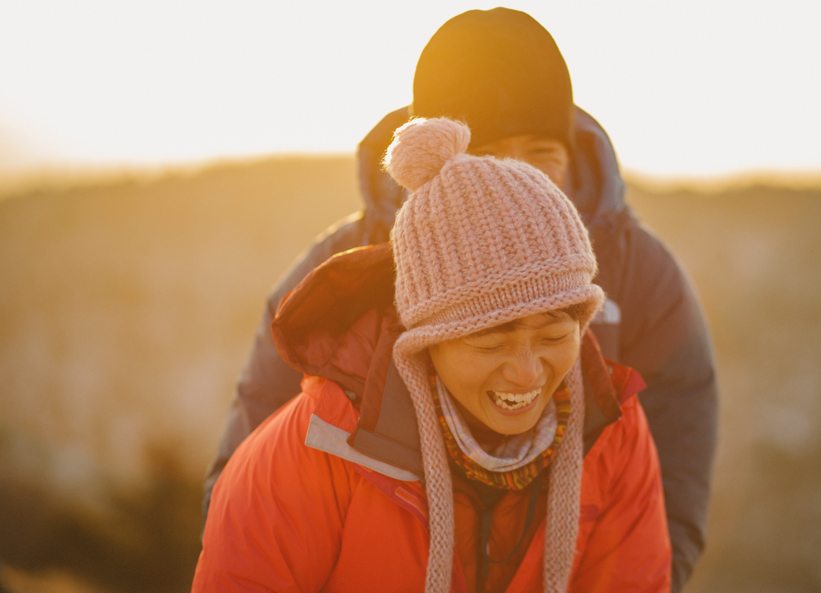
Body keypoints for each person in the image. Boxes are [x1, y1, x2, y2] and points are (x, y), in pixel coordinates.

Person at [204, 8, 717, 591]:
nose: (517, 176)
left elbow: (676, 447)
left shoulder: (635, 271)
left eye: (542, 152)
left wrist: (652, 571)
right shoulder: (341, 279)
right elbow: (261, 473)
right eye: (491, 151)